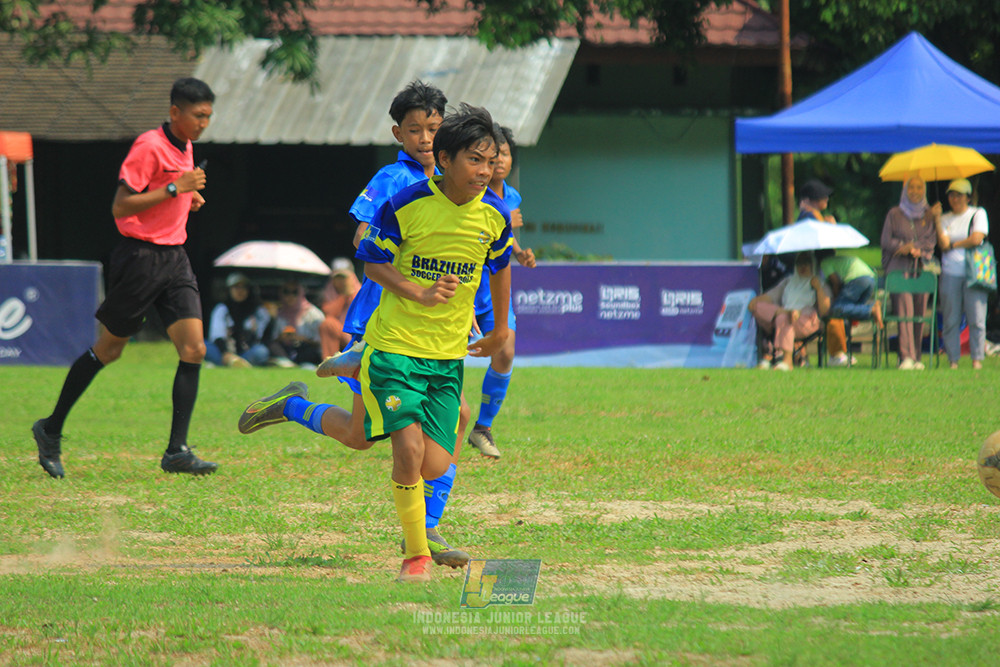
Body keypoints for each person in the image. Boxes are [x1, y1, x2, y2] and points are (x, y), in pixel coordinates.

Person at [238, 81, 471, 571]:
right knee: (411, 426)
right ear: (398, 134)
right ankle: (424, 532)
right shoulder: (392, 179)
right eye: (415, 130)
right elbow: (365, 233)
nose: (426, 138)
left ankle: (292, 405)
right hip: (381, 319)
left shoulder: (458, 184)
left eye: (433, 128)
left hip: (428, 327)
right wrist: (397, 251)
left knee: (366, 434)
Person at [31, 77, 218, 478]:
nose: (204, 124)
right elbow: (121, 206)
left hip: (175, 257)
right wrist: (175, 188)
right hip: (140, 259)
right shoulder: (148, 146)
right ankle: (50, 429)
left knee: (194, 349)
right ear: (175, 113)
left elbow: (171, 190)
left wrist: (188, 196)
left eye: (208, 117)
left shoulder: (185, 144)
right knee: (110, 349)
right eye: (198, 116)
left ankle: (176, 451)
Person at [467, 125, 535, 458]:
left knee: (506, 350)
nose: (501, 161)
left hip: (494, 288)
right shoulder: (469, 192)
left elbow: (502, 239)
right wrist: (504, 218)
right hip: (462, 287)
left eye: (505, 154)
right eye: (494, 156)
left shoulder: (512, 196)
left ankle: (483, 427)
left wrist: (519, 252)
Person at [880, 176, 940, 370]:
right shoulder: (894, 214)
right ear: (905, 190)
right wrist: (902, 247)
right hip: (899, 269)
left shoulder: (928, 215)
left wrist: (916, 249)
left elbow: (931, 241)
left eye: (919, 187)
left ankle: (916, 356)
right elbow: (885, 240)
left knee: (919, 312)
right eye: (911, 187)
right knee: (904, 310)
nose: (915, 191)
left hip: (920, 269)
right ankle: (905, 355)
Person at [934, 178, 990, 369]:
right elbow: (942, 244)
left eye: (959, 195)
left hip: (973, 273)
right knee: (950, 318)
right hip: (950, 272)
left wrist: (954, 244)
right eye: (951, 195)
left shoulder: (978, 214)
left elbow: (977, 238)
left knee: (977, 317)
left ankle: (976, 359)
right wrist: (935, 218)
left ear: (968, 197)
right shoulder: (944, 218)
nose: (955, 199)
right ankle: (953, 359)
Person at [748, 251, 830, 371]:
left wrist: (818, 289)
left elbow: (825, 311)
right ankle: (785, 312)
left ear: (813, 264)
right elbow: (770, 296)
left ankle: (785, 360)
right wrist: (755, 301)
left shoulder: (819, 283)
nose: (803, 266)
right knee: (758, 306)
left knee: (783, 318)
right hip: (782, 316)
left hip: (808, 320)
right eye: (800, 263)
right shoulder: (789, 281)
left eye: (807, 263)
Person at [205, 272, 273, 368]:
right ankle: (231, 363)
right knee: (203, 345)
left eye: (243, 287)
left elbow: (264, 335)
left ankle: (236, 364)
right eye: (236, 287)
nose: (240, 291)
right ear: (229, 290)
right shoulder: (222, 309)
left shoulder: (257, 311)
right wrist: (226, 354)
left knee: (261, 351)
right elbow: (217, 336)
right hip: (224, 353)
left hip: (246, 354)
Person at [818, 250, 883, 348]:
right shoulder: (838, 260)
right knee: (853, 310)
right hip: (871, 279)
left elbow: (836, 282)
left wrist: (836, 298)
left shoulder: (825, 262)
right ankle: (872, 309)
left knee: (838, 308)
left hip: (857, 279)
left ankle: (872, 308)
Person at [269, 279, 325, 368]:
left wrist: (302, 339)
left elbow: (321, 342)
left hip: (306, 350)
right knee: (273, 346)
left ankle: (289, 364)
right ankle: (288, 363)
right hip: (287, 349)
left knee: (309, 352)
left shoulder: (313, 314)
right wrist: (282, 337)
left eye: (294, 292)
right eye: (286, 292)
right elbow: (274, 338)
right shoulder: (280, 313)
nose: (290, 296)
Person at [319, 258, 360, 358]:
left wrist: (351, 294)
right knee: (328, 323)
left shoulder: (360, 292)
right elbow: (329, 313)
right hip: (341, 334)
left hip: (357, 335)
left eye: (344, 278)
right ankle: (329, 361)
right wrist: (344, 296)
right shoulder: (329, 293)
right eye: (338, 278)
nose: (341, 282)